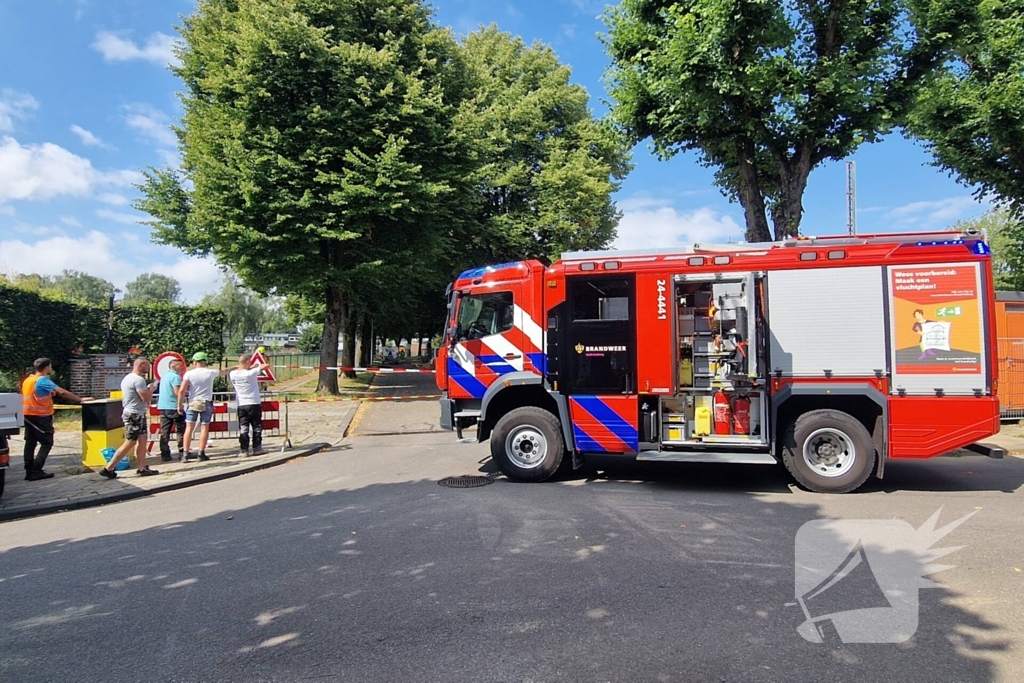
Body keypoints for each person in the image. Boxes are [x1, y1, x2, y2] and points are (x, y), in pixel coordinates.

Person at [21, 358, 91, 481]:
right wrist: (80, 399)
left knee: (30, 443)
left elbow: (35, 394)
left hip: (28, 416)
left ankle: (29, 470)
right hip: (41, 417)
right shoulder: (42, 380)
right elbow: (62, 392)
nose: (51, 368)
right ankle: (36, 470)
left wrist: (50, 393)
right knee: (47, 443)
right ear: (46, 367)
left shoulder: (28, 380)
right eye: (50, 366)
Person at [99, 357, 159, 479]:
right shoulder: (138, 380)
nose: (148, 369)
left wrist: (147, 390)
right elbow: (146, 398)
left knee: (142, 439)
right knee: (130, 441)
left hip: (137, 413)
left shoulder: (127, 378)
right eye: (147, 366)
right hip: (134, 414)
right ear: (140, 365)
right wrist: (151, 390)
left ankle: (142, 468)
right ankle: (108, 468)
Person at [177, 352, 225, 462]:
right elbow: (224, 371)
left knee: (189, 427)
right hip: (206, 402)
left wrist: (179, 405)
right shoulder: (210, 372)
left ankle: (185, 454)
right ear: (205, 362)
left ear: (194, 362)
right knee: (204, 427)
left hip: (193, 402)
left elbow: (182, 390)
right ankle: (201, 453)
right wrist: (236, 367)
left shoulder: (189, 374)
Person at [229, 352, 271, 456]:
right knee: (256, 427)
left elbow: (238, 368)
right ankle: (257, 448)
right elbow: (266, 365)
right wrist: (256, 365)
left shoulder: (232, 374)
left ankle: (244, 450)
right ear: (247, 362)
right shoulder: (250, 373)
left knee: (244, 428)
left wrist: (249, 367)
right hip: (253, 403)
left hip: (241, 404)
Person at [157, 358, 186, 462]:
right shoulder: (175, 377)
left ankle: (165, 454)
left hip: (163, 406)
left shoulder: (165, 376)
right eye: (180, 365)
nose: (182, 367)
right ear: (173, 366)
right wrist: (180, 404)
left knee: (165, 432)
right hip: (173, 406)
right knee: (181, 430)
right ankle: (182, 452)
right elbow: (177, 392)